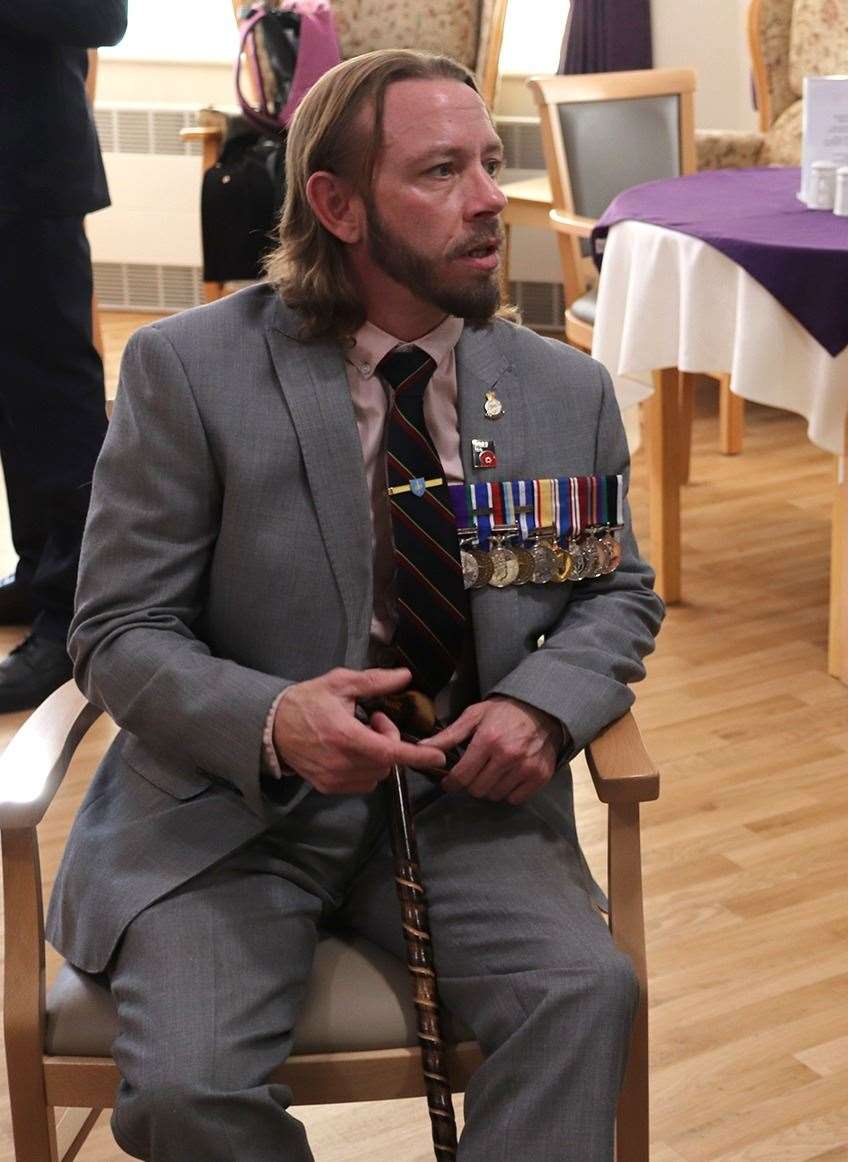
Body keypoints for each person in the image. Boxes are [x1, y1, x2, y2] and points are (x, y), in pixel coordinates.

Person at [50, 50, 664, 1160]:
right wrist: (275, 719)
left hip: (463, 807)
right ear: (335, 204)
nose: (489, 199)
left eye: (490, 163)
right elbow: (116, 630)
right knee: (185, 1091)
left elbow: (615, 585)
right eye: (440, 172)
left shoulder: (560, 389)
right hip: (223, 817)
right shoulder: (189, 372)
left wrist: (540, 708)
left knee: (586, 996)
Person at [0, 2, 123, 710]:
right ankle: (38, 568)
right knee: (10, 404)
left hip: (24, 166)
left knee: (55, 404)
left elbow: (101, 15)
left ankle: (77, 610)